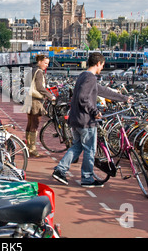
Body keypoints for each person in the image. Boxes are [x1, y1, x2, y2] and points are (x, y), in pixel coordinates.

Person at [52, 52, 133, 187]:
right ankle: (87, 178)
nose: (102, 68)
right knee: (90, 149)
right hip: (86, 120)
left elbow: (103, 91)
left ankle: (60, 170)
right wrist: (95, 112)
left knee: (77, 147)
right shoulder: (91, 78)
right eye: (102, 65)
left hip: (76, 118)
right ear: (98, 63)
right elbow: (83, 98)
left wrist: (124, 98)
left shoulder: (83, 76)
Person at [22, 54, 55, 157]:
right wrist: (50, 96)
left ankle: (27, 147)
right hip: (36, 101)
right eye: (45, 63)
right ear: (39, 62)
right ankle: (32, 148)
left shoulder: (32, 70)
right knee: (35, 124)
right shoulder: (39, 72)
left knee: (29, 123)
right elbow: (40, 87)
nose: (46, 65)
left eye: (48, 63)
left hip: (29, 99)